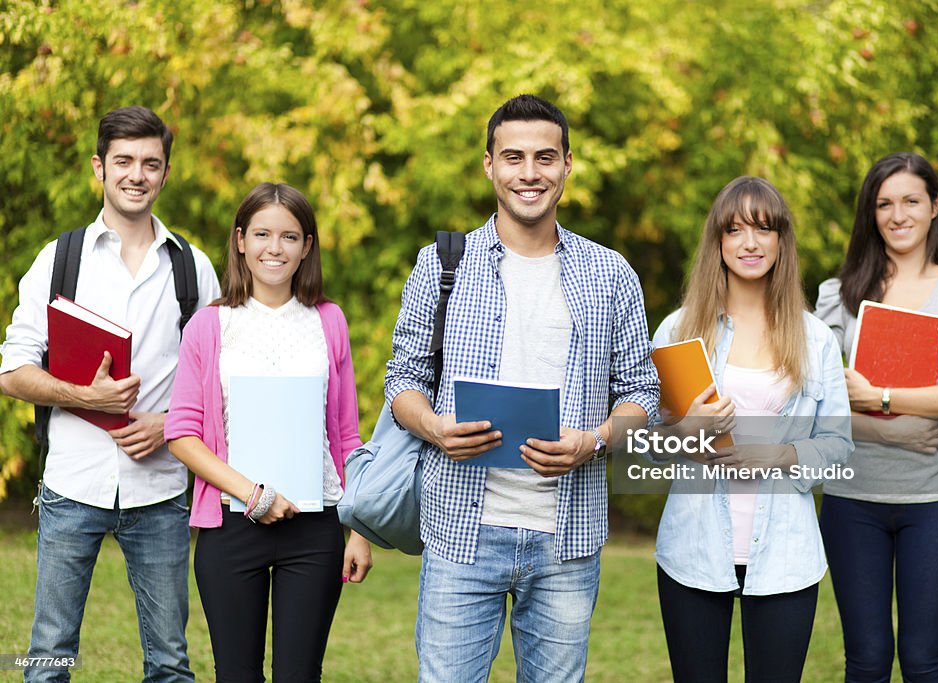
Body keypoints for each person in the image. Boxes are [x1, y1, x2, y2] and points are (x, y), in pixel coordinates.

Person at [384, 94, 660, 682]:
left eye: (544, 157)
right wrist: (435, 428)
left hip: (567, 535)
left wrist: (593, 441)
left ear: (567, 165)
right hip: (461, 530)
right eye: (513, 157)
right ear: (489, 164)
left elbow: (643, 391)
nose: (529, 173)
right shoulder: (441, 264)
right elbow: (403, 379)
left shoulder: (610, 273)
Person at [0, 106, 220, 682]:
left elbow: (221, 387)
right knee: (47, 657)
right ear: (99, 166)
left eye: (151, 163)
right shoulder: (59, 259)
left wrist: (170, 423)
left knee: (171, 663)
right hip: (72, 483)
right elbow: (12, 370)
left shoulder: (193, 270)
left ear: (166, 173)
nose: (136, 174)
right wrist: (84, 396)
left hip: (161, 492)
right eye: (123, 161)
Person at [164, 182, 372, 681]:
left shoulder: (329, 321)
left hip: (316, 527)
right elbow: (182, 434)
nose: (274, 248)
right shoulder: (209, 326)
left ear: (307, 247)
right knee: (236, 674)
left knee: (299, 675)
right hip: (233, 525)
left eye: (289, 236)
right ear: (240, 241)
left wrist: (361, 529)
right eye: (261, 234)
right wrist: (253, 494)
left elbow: (347, 436)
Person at [651, 176, 852, 682]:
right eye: (734, 229)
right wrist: (686, 429)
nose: (749, 243)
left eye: (764, 229)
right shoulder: (678, 331)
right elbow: (650, 448)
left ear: (781, 241)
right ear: (717, 242)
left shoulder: (815, 338)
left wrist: (780, 456)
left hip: (785, 554)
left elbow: (839, 445)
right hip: (692, 551)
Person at [814, 152, 938, 682]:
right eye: (884, 204)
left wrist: (883, 396)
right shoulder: (840, 296)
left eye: (911, 201)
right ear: (871, 214)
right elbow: (819, 404)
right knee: (866, 661)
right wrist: (884, 418)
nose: (898, 215)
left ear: (935, 206)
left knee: (923, 661)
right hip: (852, 501)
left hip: (934, 502)